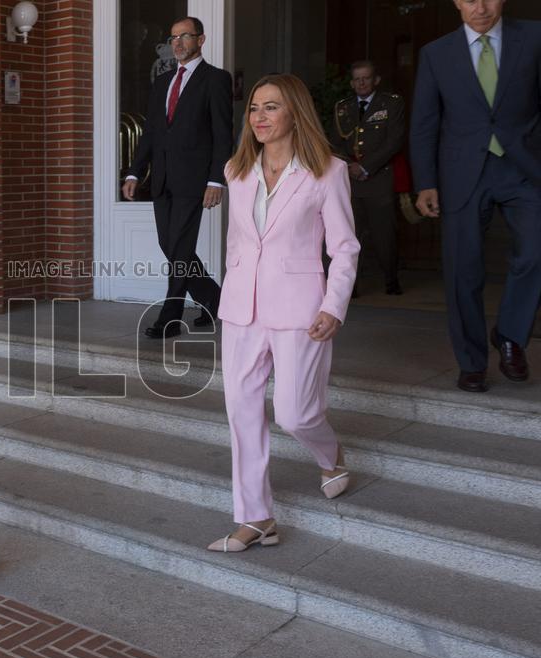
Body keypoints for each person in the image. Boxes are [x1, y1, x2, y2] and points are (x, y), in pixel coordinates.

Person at [207, 74, 359, 552]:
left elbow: (345, 247)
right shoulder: (237, 170)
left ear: (294, 112)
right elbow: (237, 241)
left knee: (295, 413)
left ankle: (330, 453)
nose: (260, 117)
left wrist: (333, 305)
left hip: (300, 309)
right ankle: (256, 518)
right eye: (254, 109)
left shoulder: (327, 172)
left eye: (271, 107)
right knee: (242, 412)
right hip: (241, 309)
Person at [410, 0, 541, 393]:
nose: (480, 7)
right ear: (456, 3)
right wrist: (426, 182)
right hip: (461, 174)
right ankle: (471, 363)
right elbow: (424, 122)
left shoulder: (535, 37)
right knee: (462, 271)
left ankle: (511, 334)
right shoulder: (436, 53)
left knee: (535, 252)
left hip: (525, 168)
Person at [122, 16, 233, 339]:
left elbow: (223, 134)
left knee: (180, 247)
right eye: (174, 38)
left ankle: (170, 317)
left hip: (194, 180)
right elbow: (151, 134)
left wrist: (216, 180)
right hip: (162, 179)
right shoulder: (162, 82)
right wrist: (134, 171)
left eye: (185, 36)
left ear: (201, 40)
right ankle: (213, 297)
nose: (178, 43)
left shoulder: (216, 79)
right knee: (170, 244)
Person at [329, 60, 405, 296]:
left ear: (376, 80)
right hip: (350, 182)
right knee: (350, 237)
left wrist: (366, 166)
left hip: (379, 180)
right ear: (352, 83)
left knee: (385, 235)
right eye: (357, 79)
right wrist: (350, 165)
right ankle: (350, 287)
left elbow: (395, 141)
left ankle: (391, 280)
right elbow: (333, 142)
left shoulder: (391, 104)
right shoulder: (343, 107)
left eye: (366, 78)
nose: (362, 83)